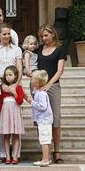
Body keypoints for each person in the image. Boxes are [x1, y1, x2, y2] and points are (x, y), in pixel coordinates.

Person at [0, 22, 23, 160]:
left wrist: (16, 84)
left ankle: (16, 154)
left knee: (14, 119)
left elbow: (19, 67)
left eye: (9, 33)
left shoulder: (16, 49)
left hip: (14, 85)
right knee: (1, 119)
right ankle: (3, 153)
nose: (7, 36)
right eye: (4, 34)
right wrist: (1, 82)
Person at [37, 23, 66, 164]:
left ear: (53, 34)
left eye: (46, 35)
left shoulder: (60, 49)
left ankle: (57, 151)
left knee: (55, 118)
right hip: (39, 88)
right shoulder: (38, 49)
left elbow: (60, 70)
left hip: (53, 86)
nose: (44, 38)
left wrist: (48, 84)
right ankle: (45, 152)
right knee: (41, 119)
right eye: (42, 36)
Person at [0, 65, 25, 164]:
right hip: (5, 112)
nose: (8, 77)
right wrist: (0, 112)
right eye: (6, 75)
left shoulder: (18, 87)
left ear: (15, 76)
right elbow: (0, 101)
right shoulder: (3, 87)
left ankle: (15, 156)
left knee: (16, 134)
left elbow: (20, 101)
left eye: (10, 75)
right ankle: (7, 156)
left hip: (15, 111)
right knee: (6, 134)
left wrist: (15, 93)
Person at [27, 70, 53, 167]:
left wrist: (32, 102)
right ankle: (47, 158)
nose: (31, 80)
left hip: (44, 120)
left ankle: (45, 160)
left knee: (44, 140)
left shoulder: (41, 94)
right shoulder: (38, 91)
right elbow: (33, 95)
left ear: (37, 82)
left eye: (32, 79)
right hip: (43, 120)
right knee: (45, 139)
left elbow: (43, 107)